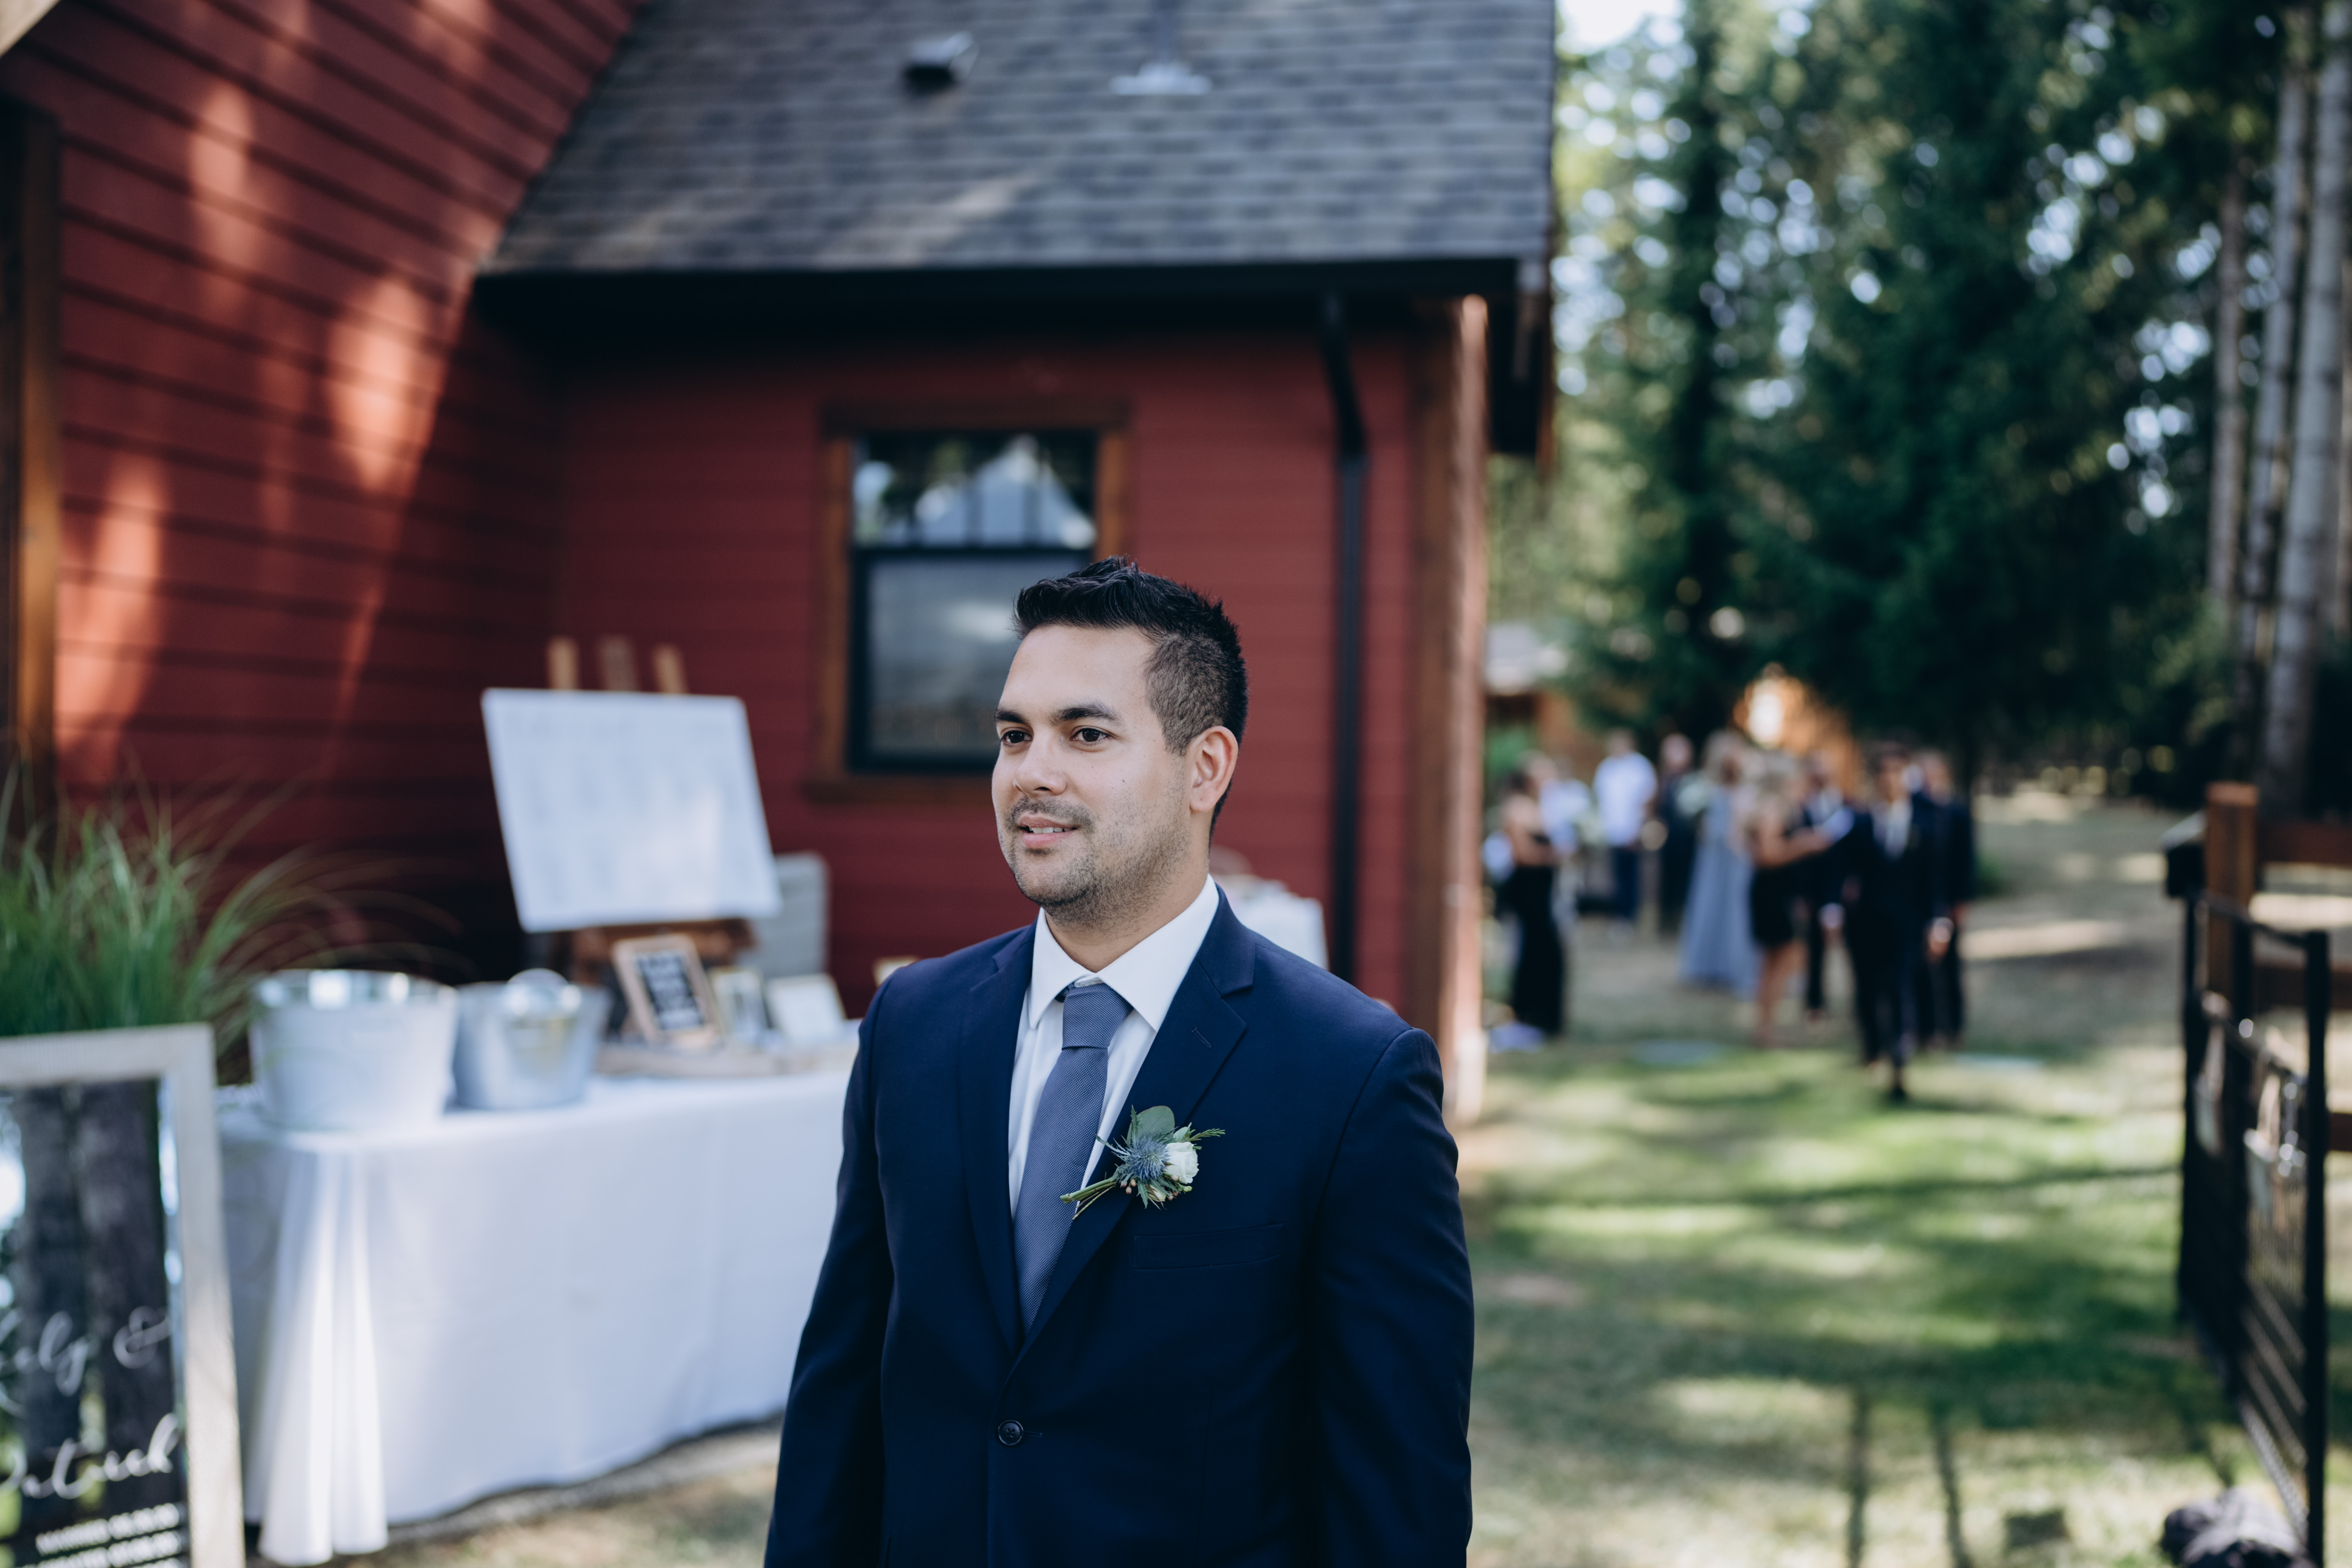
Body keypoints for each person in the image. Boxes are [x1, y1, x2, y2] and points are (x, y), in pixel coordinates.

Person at [766, 558, 1472, 1567]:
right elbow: (841, 1386)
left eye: (1084, 734)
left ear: (1204, 767)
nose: (1031, 771)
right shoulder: (912, 1024)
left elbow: (1394, 1494)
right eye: (1014, 734)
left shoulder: (1352, 1075)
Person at [1840, 742, 1951, 1102]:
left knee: (1902, 989)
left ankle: (1900, 1061)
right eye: (1882, 772)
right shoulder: (1858, 823)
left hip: (1907, 925)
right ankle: (1872, 1049)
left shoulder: (1926, 825)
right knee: (1868, 990)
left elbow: (1934, 880)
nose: (1889, 779)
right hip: (1866, 925)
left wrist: (1938, 921)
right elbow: (1844, 872)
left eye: (1895, 771)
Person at [1743, 760, 1837, 1047]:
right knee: (1779, 960)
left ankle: (1766, 1026)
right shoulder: (1772, 810)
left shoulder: (1774, 809)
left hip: (1775, 892)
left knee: (1775, 961)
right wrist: (1804, 845)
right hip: (1773, 894)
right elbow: (1767, 855)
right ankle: (1766, 1028)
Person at [1677, 731, 1756, 994]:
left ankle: (1734, 966)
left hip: (1736, 856)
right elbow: (1700, 824)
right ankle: (1707, 965)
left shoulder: (1748, 789)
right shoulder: (1705, 787)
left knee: (1736, 909)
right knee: (1709, 904)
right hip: (1712, 855)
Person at [1493, 759, 1565, 1046]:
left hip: (1544, 894)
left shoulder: (1540, 808)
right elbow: (1521, 854)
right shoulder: (1515, 808)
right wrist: (1555, 855)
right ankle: (1526, 1016)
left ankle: (1546, 1019)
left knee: (1548, 952)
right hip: (1528, 892)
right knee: (1533, 951)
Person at [1913, 750, 1973, 1049]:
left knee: (1950, 965)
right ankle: (1926, 1029)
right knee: (1919, 965)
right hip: (1918, 900)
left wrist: (1961, 900)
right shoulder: (1913, 809)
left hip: (1949, 899)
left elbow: (1966, 860)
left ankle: (1955, 1026)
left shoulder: (1957, 812)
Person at [1796, 751, 1848, 1019]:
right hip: (1814, 890)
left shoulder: (1847, 804)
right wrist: (1802, 894)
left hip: (1844, 889)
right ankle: (1814, 1003)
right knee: (1814, 950)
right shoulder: (1802, 808)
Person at [1592, 730, 1656, 927]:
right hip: (1612, 830)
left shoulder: (1640, 766)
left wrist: (1639, 828)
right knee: (1616, 873)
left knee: (1631, 873)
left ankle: (1631, 914)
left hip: (1632, 829)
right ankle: (1618, 912)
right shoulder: (1606, 768)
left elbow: (1647, 800)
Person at [1654, 733, 1699, 932]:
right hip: (1667, 838)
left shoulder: (1693, 780)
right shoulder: (1663, 780)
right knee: (1666, 880)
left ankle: (1683, 919)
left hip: (1688, 839)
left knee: (1686, 880)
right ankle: (1666, 920)